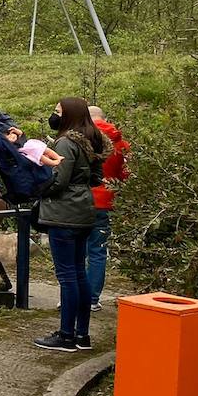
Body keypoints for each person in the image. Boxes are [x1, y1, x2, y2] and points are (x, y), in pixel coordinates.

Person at [34, 98, 112, 353]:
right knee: (79, 272)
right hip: (84, 211)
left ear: (68, 116)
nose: (54, 115)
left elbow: (59, 180)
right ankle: (82, 334)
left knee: (67, 275)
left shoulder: (66, 142)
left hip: (63, 214)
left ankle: (66, 335)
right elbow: (97, 177)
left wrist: (38, 183)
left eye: (57, 112)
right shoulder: (92, 141)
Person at [86, 105, 129, 312]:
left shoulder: (80, 138)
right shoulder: (120, 143)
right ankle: (92, 299)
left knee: (76, 251)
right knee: (97, 252)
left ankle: (72, 296)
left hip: (80, 200)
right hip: (106, 201)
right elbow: (126, 175)